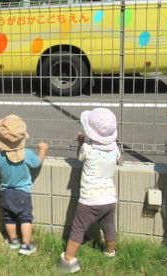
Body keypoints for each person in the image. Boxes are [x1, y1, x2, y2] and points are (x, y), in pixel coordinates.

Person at [56, 108, 120, 274]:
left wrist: (80, 143)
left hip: (90, 200)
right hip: (110, 198)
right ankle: (110, 252)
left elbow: (80, 156)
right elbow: (118, 160)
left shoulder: (88, 148)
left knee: (78, 228)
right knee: (109, 226)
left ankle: (68, 259)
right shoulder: (115, 150)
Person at [0, 114, 48, 255]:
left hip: (5, 192)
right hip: (23, 192)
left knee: (8, 216)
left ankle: (13, 240)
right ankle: (26, 245)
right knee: (26, 218)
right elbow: (37, 163)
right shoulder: (27, 154)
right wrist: (43, 150)